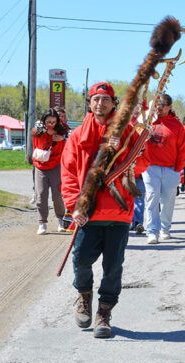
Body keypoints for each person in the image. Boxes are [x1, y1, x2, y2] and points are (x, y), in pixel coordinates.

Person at [60, 82, 141, 338]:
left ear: (114, 104)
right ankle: (84, 296)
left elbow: (143, 162)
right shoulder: (76, 136)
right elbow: (69, 174)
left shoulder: (128, 133)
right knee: (82, 259)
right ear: (89, 103)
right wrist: (75, 206)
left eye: (105, 99)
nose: (100, 104)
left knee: (113, 267)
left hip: (118, 212)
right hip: (89, 212)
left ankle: (104, 313)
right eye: (96, 99)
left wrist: (124, 148)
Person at [142, 93, 185, 244]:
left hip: (170, 169)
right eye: (156, 104)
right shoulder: (148, 121)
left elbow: (183, 149)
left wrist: (178, 169)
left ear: (169, 107)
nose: (159, 108)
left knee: (168, 201)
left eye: (162, 105)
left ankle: (165, 228)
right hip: (150, 168)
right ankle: (151, 231)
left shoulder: (177, 125)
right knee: (152, 198)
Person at [31, 108, 68, 235]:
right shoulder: (38, 130)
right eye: (48, 121)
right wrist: (44, 129)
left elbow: (72, 139)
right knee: (41, 195)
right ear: (43, 120)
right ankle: (42, 223)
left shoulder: (62, 131)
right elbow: (36, 131)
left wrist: (62, 139)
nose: (50, 124)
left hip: (56, 166)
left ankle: (61, 219)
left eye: (53, 122)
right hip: (40, 166)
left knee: (57, 196)